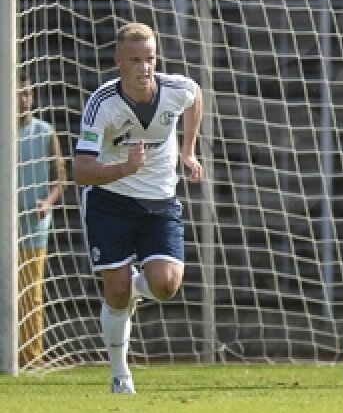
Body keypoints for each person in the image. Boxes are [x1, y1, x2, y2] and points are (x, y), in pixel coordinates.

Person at [73, 23, 205, 394]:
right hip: (109, 200)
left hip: (160, 200)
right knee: (115, 293)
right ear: (119, 63)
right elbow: (81, 169)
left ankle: (130, 283)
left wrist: (188, 150)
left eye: (150, 58)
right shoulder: (102, 104)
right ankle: (119, 375)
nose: (144, 67)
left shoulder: (174, 90)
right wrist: (123, 169)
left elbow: (196, 95)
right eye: (135, 60)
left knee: (166, 285)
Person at [16, 72, 67, 368]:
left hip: (34, 227)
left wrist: (47, 202)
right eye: (18, 94)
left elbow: (60, 178)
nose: (24, 99)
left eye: (27, 93)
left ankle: (31, 357)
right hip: (6, 227)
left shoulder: (45, 132)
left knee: (31, 295)